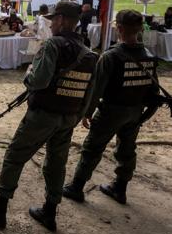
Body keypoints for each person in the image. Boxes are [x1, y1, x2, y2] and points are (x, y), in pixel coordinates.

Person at [0, 1, 99, 232]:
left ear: (62, 20)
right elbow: (90, 90)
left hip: (44, 114)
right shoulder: (88, 53)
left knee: (15, 156)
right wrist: (79, 115)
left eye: (54, 19)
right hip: (68, 116)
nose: (51, 23)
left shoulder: (53, 45)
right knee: (57, 164)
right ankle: (49, 212)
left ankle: (0, 209)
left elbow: (39, 81)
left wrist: (28, 75)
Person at [63, 10, 160, 205]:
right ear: (140, 29)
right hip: (135, 112)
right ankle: (120, 187)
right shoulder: (148, 56)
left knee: (92, 148)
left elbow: (96, 89)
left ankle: (77, 187)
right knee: (127, 149)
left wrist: (87, 112)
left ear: (119, 28)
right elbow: (154, 89)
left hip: (111, 111)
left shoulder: (111, 56)